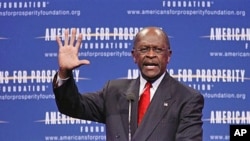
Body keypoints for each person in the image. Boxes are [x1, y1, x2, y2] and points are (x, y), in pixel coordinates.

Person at [53, 27, 204, 141]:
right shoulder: (114, 91)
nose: (151, 55)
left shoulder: (186, 98)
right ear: (134, 56)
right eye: (144, 49)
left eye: (158, 49)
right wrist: (64, 73)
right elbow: (72, 106)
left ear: (168, 56)